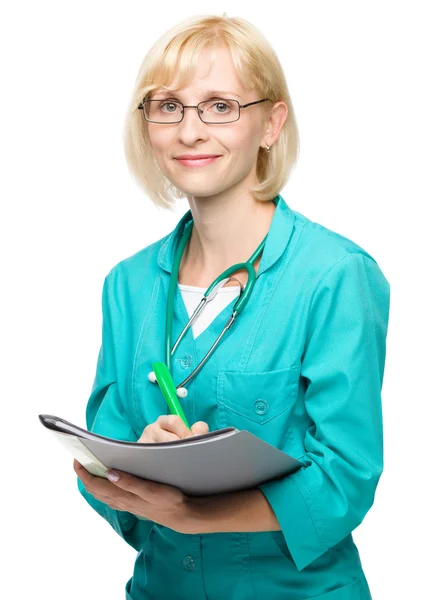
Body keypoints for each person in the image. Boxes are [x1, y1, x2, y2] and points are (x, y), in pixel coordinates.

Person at [74, 13, 390, 600]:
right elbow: (99, 455)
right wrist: (135, 459)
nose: (190, 131)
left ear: (271, 124)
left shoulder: (334, 277)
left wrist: (197, 514)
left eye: (220, 105)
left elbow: (346, 477)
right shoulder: (128, 285)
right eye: (167, 105)